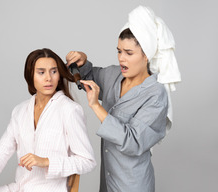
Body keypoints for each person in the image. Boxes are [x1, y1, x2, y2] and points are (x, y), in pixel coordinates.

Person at [66, 5, 181, 192]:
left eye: (129, 53)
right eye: (119, 51)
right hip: (108, 180)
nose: (121, 58)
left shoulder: (156, 94)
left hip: (133, 185)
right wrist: (82, 60)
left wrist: (96, 106)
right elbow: (88, 77)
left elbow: (134, 142)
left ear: (146, 55)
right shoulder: (113, 75)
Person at [0, 48, 96, 192]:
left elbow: (87, 161)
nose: (48, 78)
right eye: (41, 72)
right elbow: (1, 152)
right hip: (19, 188)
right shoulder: (20, 111)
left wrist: (46, 162)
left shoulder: (70, 110)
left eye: (54, 71)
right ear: (30, 76)